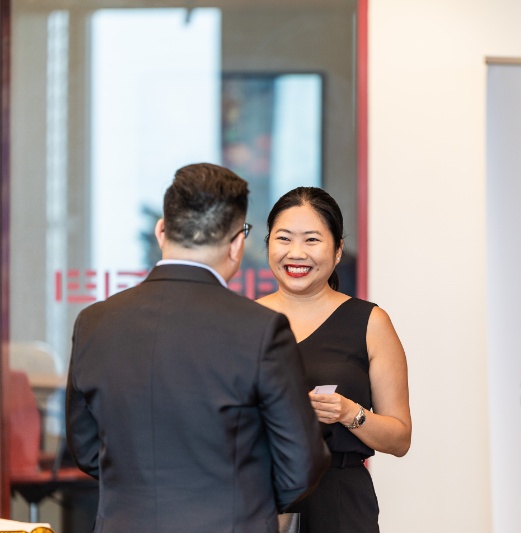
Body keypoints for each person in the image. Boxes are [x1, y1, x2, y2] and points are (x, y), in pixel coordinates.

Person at [65, 163, 330, 532]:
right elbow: (300, 464)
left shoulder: (95, 322)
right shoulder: (260, 329)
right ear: (236, 244)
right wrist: (243, 503)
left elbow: (85, 447)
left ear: (162, 231)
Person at [257, 187, 412, 532]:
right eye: (284, 239)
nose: (296, 253)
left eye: (312, 240)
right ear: (268, 245)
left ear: (338, 250)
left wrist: (349, 413)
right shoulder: (243, 321)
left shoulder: (370, 322)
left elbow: (400, 438)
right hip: (259, 499)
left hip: (340, 503)